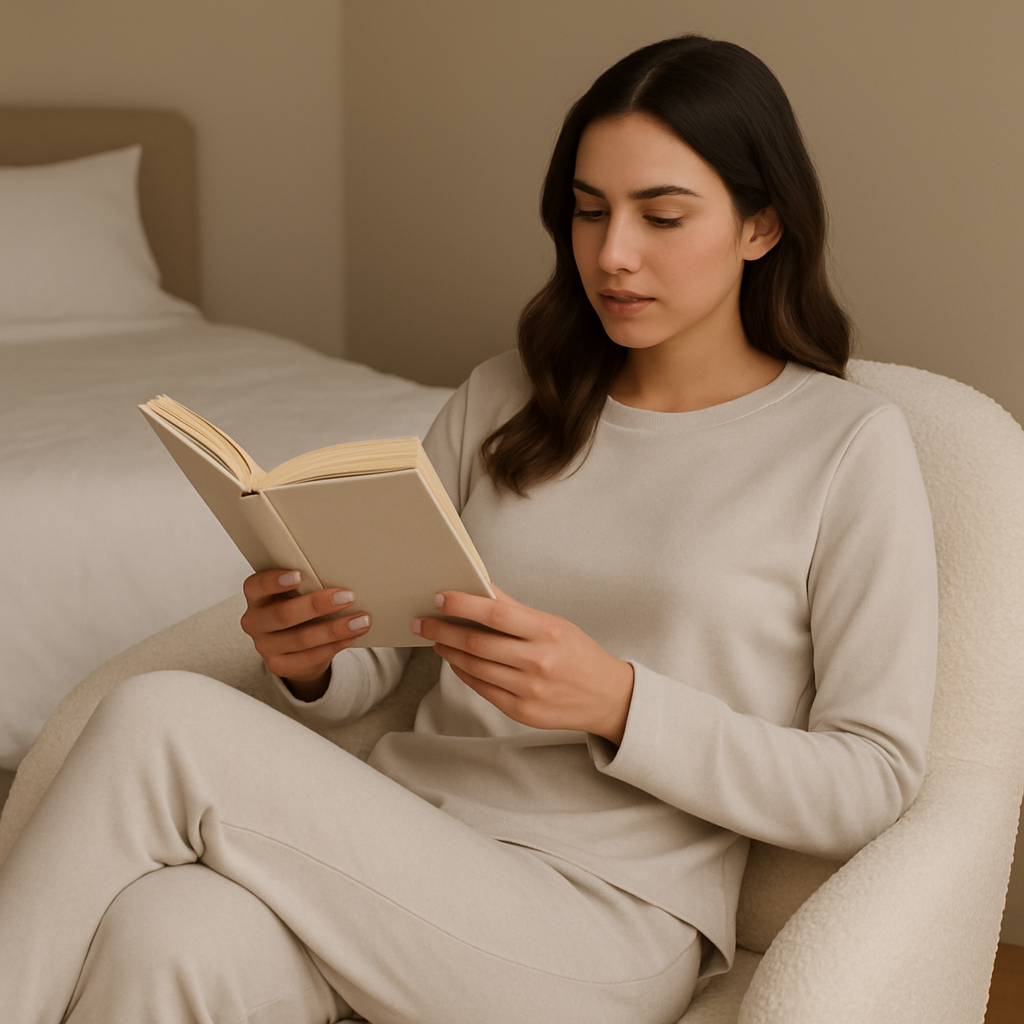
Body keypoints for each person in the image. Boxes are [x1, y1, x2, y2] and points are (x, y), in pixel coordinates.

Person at [0, 34, 937, 1024]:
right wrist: (310, 661)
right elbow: (387, 654)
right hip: (406, 849)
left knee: (157, 718)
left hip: (603, 921)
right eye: (589, 211)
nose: (612, 253)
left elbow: (870, 780)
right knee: (167, 931)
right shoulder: (503, 397)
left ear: (761, 225)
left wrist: (618, 702)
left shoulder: (846, 445)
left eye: (662, 216)